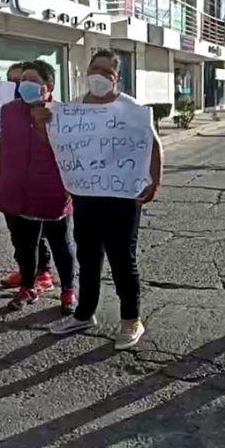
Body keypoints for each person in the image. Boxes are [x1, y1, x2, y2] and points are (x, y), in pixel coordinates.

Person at [45, 49, 163, 350]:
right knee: (88, 258)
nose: (99, 76)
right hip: (86, 197)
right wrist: (43, 120)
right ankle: (84, 313)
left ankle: (131, 320)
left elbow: (153, 145)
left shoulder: (131, 109)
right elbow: (60, 145)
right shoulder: (72, 110)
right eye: (94, 68)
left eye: (107, 72)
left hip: (122, 199)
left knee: (123, 260)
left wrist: (155, 181)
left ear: (117, 77)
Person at [0, 61, 77, 312]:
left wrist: (43, 127)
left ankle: (69, 291)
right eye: (20, 80)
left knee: (61, 244)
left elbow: (74, 154)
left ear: (48, 86)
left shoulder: (64, 114)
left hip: (54, 194)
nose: (22, 85)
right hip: (18, 193)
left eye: (30, 80)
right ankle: (28, 286)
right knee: (25, 245)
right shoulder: (6, 112)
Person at [0, 62, 57, 293]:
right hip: (13, 186)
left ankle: (42, 273)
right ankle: (26, 273)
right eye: (14, 81)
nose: (20, 86)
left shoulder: (53, 111)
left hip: (44, 188)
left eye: (24, 80)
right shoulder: (9, 110)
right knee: (20, 236)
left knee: (42, 236)